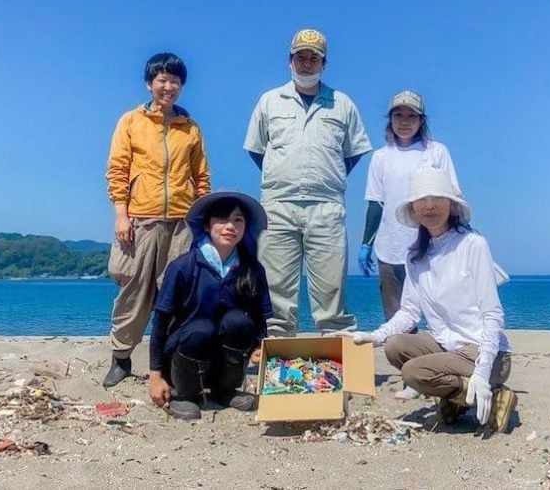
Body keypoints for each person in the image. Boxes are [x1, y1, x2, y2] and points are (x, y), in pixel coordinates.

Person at [341, 167, 517, 432]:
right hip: (448, 346)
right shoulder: (415, 255)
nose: (430, 205)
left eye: (438, 197)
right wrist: (377, 336)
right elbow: (410, 311)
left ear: (452, 205)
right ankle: (460, 398)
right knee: (395, 346)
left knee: (413, 372)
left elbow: (492, 315)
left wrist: (482, 372)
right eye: (421, 200)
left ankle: (489, 393)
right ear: (413, 210)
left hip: (484, 352)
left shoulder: (472, 245)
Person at [243, 28, 372, 336]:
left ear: (323, 64)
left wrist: (327, 176)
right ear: (290, 61)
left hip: (326, 206)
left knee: (331, 286)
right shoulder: (269, 101)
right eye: (301, 57)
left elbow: (353, 153)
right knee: (275, 288)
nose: (306, 63)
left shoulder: (342, 104)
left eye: (313, 58)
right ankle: (275, 347)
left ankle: (336, 346)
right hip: (277, 206)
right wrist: (283, 175)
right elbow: (257, 149)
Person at [102, 52, 211, 388]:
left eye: (175, 80)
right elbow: (117, 171)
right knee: (133, 289)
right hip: (140, 220)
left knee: (177, 296)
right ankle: (121, 358)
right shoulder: (130, 122)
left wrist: (202, 223)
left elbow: (202, 178)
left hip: (181, 223)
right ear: (150, 84)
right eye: (162, 79)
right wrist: (122, 215)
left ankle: (169, 364)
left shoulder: (190, 128)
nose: (169, 86)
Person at [357, 90, 458, 400]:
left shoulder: (435, 152)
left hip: (431, 242)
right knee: (397, 313)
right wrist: (366, 243)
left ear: (421, 120)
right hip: (390, 246)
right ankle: (410, 376)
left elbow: (450, 194)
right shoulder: (381, 157)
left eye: (411, 116)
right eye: (398, 116)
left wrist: (456, 236)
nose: (404, 122)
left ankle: (446, 364)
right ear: (390, 120)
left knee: (441, 307)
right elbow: (375, 203)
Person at [147, 191, 273, 420]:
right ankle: (185, 393)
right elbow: (160, 323)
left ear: (245, 228)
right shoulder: (183, 266)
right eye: (222, 219)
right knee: (202, 329)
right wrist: (155, 376)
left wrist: (258, 346)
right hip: (186, 347)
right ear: (206, 225)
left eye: (238, 220)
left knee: (239, 322)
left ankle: (224, 389)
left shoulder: (252, 269)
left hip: (222, 352)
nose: (230, 226)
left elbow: (258, 317)